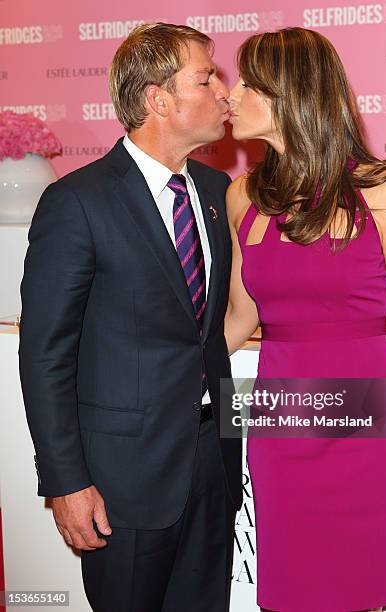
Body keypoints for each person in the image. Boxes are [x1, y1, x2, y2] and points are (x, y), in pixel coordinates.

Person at [19, 23, 241, 612]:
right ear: (157, 99)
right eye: (206, 77)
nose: (224, 92)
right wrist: (65, 481)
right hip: (121, 482)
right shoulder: (79, 202)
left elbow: (208, 332)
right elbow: (45, 354)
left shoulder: (220, 193)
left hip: (212, 468)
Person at [224, 27, 386, 612]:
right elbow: (240, 318)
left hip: (371, 427)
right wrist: (156, 361)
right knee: (291, 592)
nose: (231, 96)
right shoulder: (242, 196)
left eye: (248, 84)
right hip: (281, 425)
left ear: (289, 95)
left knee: (359, 589)